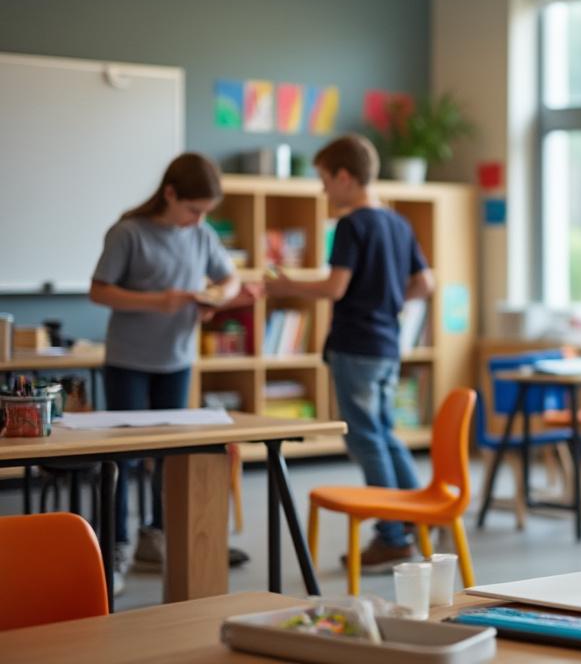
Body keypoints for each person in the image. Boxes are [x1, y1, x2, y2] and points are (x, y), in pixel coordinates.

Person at [265, 134, 434, 571]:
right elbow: (425, 284)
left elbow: (334, 287)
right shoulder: (397, 223)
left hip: (356, 345)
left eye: (324, 179)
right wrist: (391, 302)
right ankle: (417, 519)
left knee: (366, 438)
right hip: (387, 344)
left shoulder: (351, 225)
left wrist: (285, 286)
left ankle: (391, 535)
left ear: (344, 177)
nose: (323, 190)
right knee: (385, 432)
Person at [90, 152, 246, 594]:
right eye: (193, 209)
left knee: (170, 456)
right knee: (124, 458)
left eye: (205, 213)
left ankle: (153, 536)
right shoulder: (128, 233)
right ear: (171, 194)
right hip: (129, 360)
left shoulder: (200, 234)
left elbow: (230, 278)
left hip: (177, 359)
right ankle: (115, 545)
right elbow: (98, 291)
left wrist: (219, 295)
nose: (198, 220)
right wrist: (158, 301)